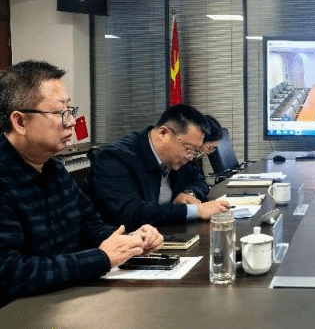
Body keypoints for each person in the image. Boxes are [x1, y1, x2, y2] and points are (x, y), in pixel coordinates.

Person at [0, 60, 163, 306]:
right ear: (20, 122)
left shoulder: (53, 168)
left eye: (70, 110)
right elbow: (10, 274)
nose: (71, 122)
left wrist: (128, 242)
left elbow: (87, 226)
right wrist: (102, 258)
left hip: (65, 300)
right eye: (59, 113)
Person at [86, 105, 229, 230]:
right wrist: (195, 211)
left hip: (163, 234)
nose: (191, 157)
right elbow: (132, 213)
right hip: (123, 243)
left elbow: (199, 180)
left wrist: (189, 193)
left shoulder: (177, 156)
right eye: (189, 149)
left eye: (194, 151)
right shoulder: (115, 158)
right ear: (163, 133)